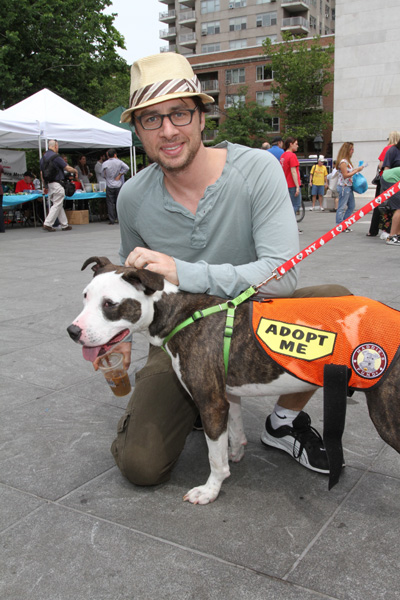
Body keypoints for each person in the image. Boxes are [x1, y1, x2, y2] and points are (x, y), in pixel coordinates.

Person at [99, 52, 350, 488]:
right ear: (137, 130)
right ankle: (201, 400)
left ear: (201, 116)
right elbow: (133, 280)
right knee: (141, 465)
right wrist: (118, 331)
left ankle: (283, 423)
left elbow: (282, 273)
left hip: (256, 323)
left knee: (338, 306)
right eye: (151, 120)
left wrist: (182, 271)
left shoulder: (257, 169)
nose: (169, 130)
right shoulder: (132, 197)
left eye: (179, 113)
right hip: (180, 336)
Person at [40, 139, 78, 232]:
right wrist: (75, 170)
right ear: (55, 146)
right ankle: (47, 223)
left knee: (58, 204)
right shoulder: (56, 157)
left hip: (49, 184)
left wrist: (44, 185)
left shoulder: (43, 158)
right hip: (57, 183)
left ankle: (64, 225)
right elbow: (67, 168)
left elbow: (42, 173)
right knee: (57, 204)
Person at [335, 142, 365, 232]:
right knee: (342, 206)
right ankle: (340, 224)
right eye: (351, 149)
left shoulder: (347, 162)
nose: (353, 151)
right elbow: (345, 175)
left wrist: (356, 170)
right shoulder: (343, 162)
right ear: (347, 150)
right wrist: (356, 171)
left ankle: (344, 223)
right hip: (344, 186)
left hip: (348, 186)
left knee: (351, 206)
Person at [280, 137, 303, 233]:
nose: (297, 146)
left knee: (288, 206)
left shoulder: (283, 156)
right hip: (292, 184)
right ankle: (291, 226)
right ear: (291, 144)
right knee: (296, 205)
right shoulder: (292, 156)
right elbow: (293, 171)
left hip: (285, 184)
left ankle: (287, 226)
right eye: (296, 144)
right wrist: (297, 186)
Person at [101, 149, 129, 225]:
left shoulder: (105, 163)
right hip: (118, 184)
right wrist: (120, 174)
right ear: (115, 154)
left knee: (110, 203)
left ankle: (111, 219)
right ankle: (119, 218)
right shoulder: (119, 162)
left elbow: (102, 174)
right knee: (118, 202)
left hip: (109, 184)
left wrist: (106, 177)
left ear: (108, 155)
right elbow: (127, 168)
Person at [381, 141, 400, 245]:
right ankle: (391, 236)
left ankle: (397, 234)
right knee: (399, 207)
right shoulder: (392, 150)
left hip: (394, 179)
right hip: (389, 179)